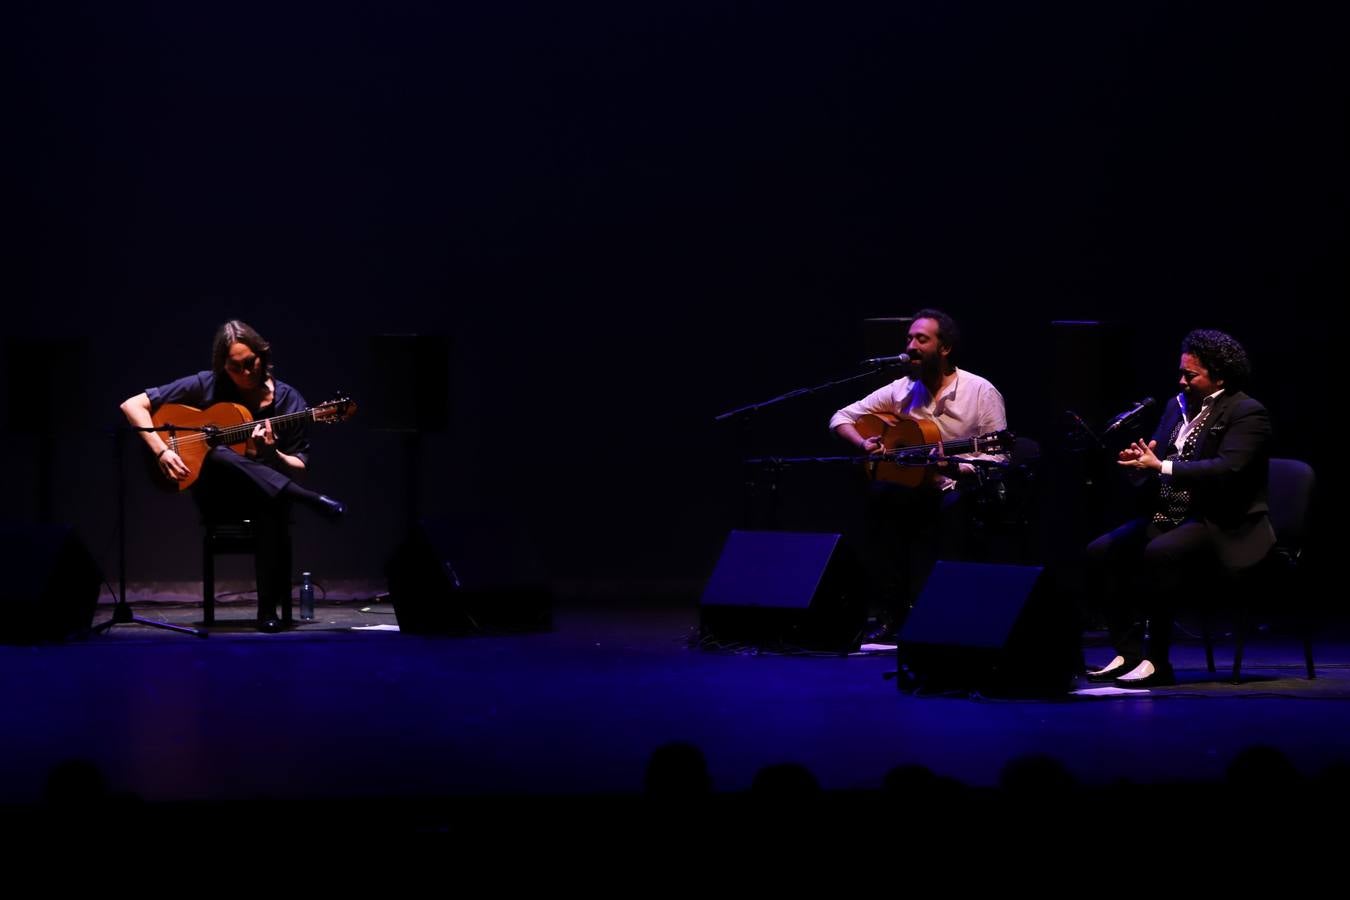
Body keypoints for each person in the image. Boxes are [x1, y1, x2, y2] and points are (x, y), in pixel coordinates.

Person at [120, 320, 345, 632]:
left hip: (266, 495)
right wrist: (162, 451)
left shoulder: (289, 401)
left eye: (250, 363)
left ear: (262, 356)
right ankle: (311, 501)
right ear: (223, 366)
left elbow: (300, 466)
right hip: (217, 496)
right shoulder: (208, 384)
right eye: (234, 367)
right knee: (216, 451)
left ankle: (267, 612)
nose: (244, 373)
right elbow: (132, 405)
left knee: (270, 501)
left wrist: (271, 454)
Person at [1084, 329, 1274, 686]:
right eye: (1182, 373)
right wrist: (1141, 463)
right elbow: (1160, 460)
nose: (1182, 380)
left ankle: (1157, 661)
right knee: (1101, 552)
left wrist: (1161, 467)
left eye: (1191, 375)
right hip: (1172, 514)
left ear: (1219, 375)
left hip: (1221, 521)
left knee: (1159, 553)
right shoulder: (1176, 406)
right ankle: (1127, 653)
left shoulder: (1247, 412)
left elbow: (1227, 469)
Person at [829, 309, 1008, 641]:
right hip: (915, 486)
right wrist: (864, 442)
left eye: (921, 339)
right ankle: (892, 615)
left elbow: (998, 455)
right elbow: (841, 416)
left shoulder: (980, 392)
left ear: (944, 348)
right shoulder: (902, 390)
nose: (911, 345)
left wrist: (953, 465)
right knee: (880, 498)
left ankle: (943, 616)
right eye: (909, 338)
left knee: (952, 510)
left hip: (960, 486)